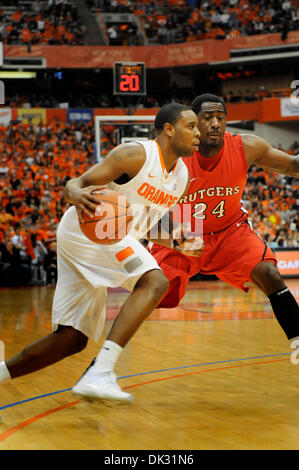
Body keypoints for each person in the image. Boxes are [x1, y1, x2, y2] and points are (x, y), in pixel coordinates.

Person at [0, 103, 201, 403]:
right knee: (155, 282)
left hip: (103, 235)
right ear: (169, 130)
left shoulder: (182, 176)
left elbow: (148, 224)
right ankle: (101, 372)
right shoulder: (135, 155)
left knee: (72, 338)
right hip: (90, 227)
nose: (197, 133)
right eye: (191, 126)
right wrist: (77, 193)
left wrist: (178, 239)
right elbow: (75, 183)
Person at [149, 94, 299, 346]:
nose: (215, 123)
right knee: (156, 290)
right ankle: (108, 356)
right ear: (193, 123)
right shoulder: (176, 153)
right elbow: (148, 210)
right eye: (207, 118)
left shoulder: (246, 146)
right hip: (186, 228)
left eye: (220, 118)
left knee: (269, 272)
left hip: (231, 229)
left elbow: (293, 166)